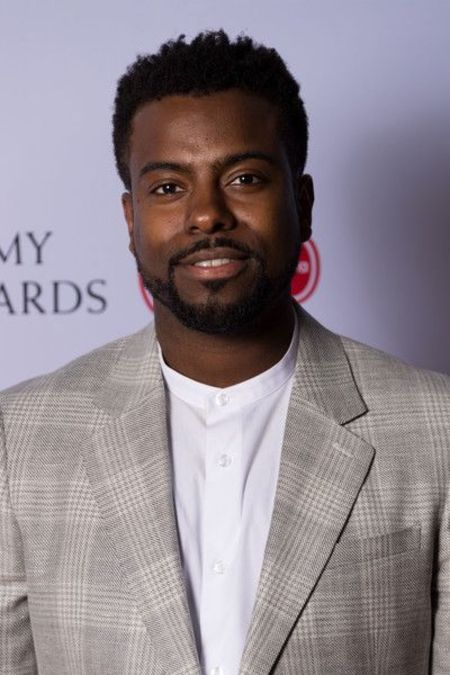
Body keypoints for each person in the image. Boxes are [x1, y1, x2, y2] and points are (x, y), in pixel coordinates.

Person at [0, 30, 449, 675]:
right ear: (130, 221)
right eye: (168, 188)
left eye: (244, 178)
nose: (207, 214)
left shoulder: (437, 431)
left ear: (303, 204)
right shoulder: (20, 439)